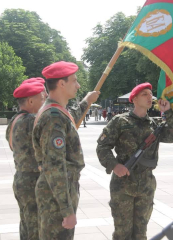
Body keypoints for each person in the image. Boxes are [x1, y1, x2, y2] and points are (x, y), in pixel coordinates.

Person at [97, 82, 173, 240]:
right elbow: (102, 147)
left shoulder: (154, 125)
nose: (150, 97)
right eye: (145, 94)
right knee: (122, 233)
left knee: (141, 233)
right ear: (134, 99)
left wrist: (169, 112)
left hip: (146, 185)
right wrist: (115, 165)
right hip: (123, 185)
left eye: (151, 94)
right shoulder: (120, 121)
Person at [32, 61, 100, 239]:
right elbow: (54, 166)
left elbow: (72, 117)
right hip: (56, 196)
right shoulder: (53, 117)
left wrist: (87, 101)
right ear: (62, 84)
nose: (78, 85)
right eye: (74, 81)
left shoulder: (56, 111)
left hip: (59, 191)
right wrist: (67, 210)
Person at [6, 78, 47, 240]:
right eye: (41, 98)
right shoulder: (32, 121)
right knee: (35, 229)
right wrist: (85, 102)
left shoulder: (13, 121)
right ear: (30, 101)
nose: (44, 102)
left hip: (21, 179)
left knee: (26, 225)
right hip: (33, 182)